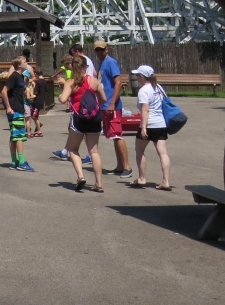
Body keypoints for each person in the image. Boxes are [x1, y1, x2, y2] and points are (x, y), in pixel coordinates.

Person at [57, 59, 106, 192]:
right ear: (86, 66)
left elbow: (62, 99)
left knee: (73, 149)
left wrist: (62, 92)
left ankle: (81, 176)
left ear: (72, 67)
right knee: (94, 151)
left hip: (79, 118)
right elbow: (103, 99)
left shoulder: (71, 82)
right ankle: (98, 184)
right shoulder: (93, 81)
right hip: (94, 119)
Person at [128, 65, 172, 191]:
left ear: (142, 77)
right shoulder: (158, 87)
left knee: (139, 150)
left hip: (149, 124)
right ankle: (166, 181)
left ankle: (142, 178)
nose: (136, 77)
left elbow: (145, 109)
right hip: (161, 123)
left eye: (137, 75)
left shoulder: (144, 90)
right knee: (163, 153)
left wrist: (143, 128)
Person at [94, 39, 132, 177]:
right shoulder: (101, 64)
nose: (99, 52)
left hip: (112, 106)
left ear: (107, 49)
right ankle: (120, 165)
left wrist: (112, 103)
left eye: (101, 49)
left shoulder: (110, 62)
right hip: (104, 105)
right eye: (97, 50)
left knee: (117, 135)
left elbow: (118, 83)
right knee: (112, 135)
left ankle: (127, 166)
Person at [2, 58, 34, 171]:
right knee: (19, 136)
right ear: (19, 65)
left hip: (19, 109)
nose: (27, 64)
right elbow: (4, 90)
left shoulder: (21, 77)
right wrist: (8, 107)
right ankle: (21, 162)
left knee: (14, 136)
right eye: (25, 62)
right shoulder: (14, 76)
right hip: (14, 110)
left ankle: (14, 161)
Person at [28, 66, 47, 137]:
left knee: (34, 116)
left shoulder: (38, 82)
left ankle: (39, 131)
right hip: (42, 100)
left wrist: (30, 94)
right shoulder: (44, 81)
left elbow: (35, 93)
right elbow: (46, 90)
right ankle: (38, 129)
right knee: (35, 116)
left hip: (37, 101)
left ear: (35, 74)